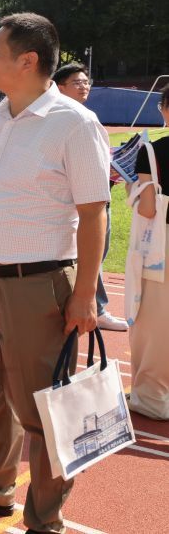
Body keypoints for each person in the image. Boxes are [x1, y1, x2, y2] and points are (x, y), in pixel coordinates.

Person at [0, 13, 109, 534]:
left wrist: (84, 295)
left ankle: (45, 521)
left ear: (27, 61)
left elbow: (94, 213)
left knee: (45, 410)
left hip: (38, 284)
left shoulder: (74, 123)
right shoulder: (0, 117)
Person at [53, 62, 128, 332]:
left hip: (96, 195)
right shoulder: (65, 119)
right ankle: (98, 308)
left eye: (86, 82)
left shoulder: (85, 117)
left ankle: (92, 306)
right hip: (79, 204)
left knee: (94, 255)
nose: (84, 86)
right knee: (87, 255)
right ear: (60, 87)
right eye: (77, 82)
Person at [130, 85, 169, 420]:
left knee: (154, 321)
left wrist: (133, 187)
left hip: (161, 245)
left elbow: (147, 209)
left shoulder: (152, 151)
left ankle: (153, 396)